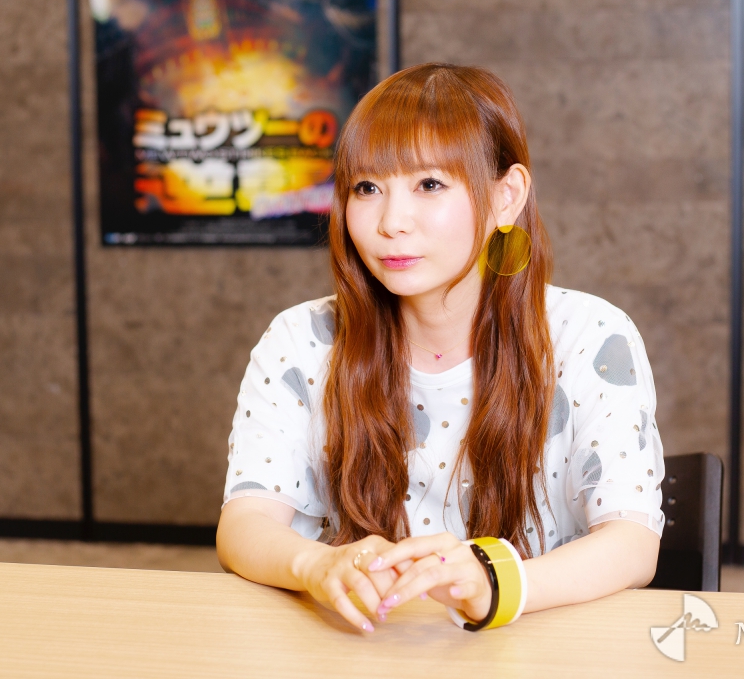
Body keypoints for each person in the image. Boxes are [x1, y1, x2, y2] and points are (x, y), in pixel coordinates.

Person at [216, 63, 665, 634]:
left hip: (542, 644)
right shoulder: (300, 342)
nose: (391, 222)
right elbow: (244, 524)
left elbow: (632, 543)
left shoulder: (590, 337)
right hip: (362, 647)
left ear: (505, 197)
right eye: (367, 188)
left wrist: (496, 584)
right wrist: (316, 564)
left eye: (429, 185)